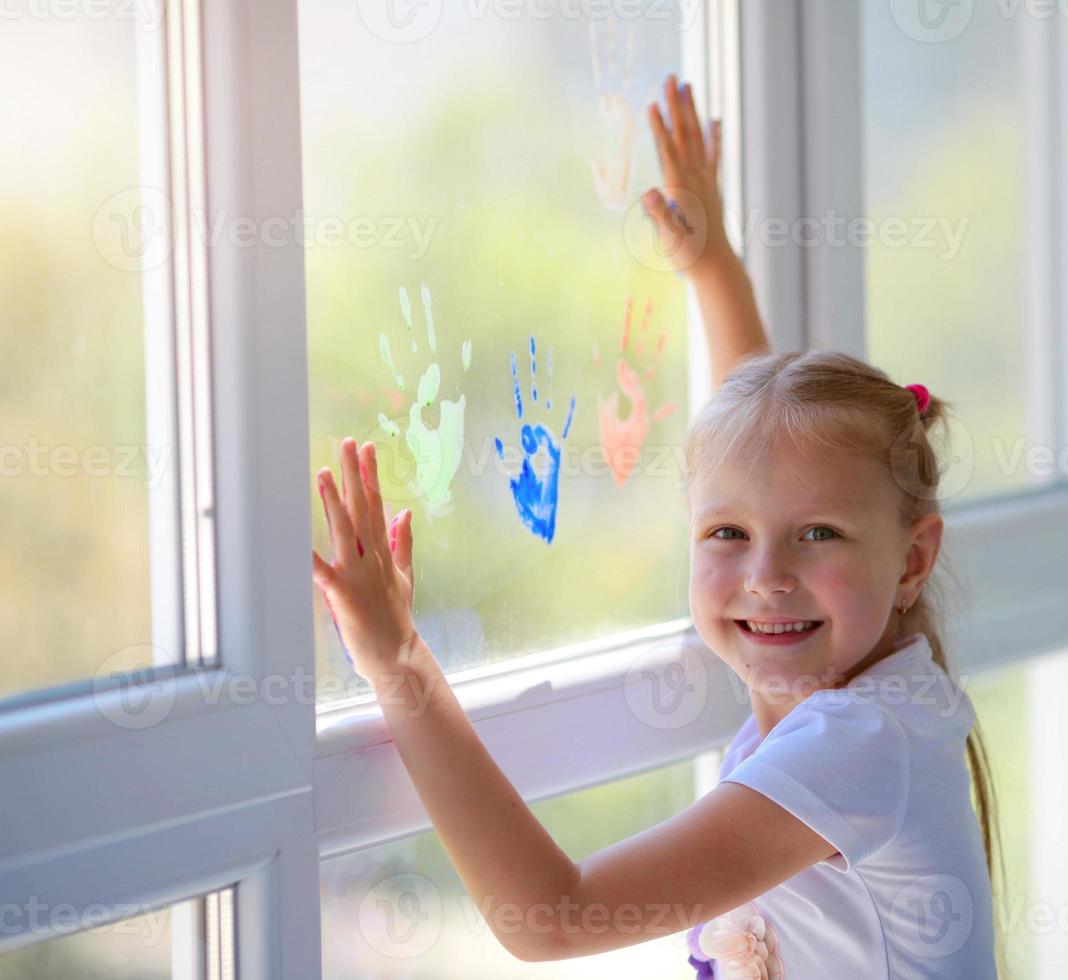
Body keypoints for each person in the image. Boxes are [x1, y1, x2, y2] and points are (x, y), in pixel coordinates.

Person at [311, 74, 1002, 979]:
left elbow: (549, 919)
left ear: (914, 560)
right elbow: (763, 448)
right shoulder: (878, 704)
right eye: (726, 534)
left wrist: (399, 663)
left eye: (821, 535)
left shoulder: (857, 746)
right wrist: (711, 267)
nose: (767, 574)